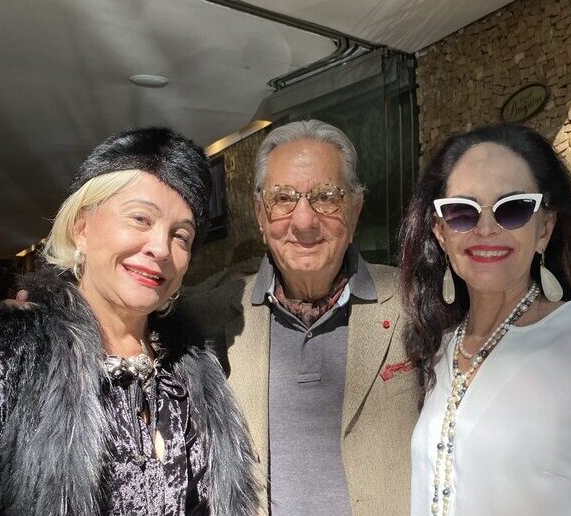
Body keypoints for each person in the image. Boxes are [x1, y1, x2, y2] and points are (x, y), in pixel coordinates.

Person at [0, 128, 258, 515]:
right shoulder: (7, 352)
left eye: (181, 235)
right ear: (81, 227)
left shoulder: (192, 367)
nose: (160, 248)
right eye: (140, 219)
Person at [399, 124, 571, 515]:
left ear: (545, 228)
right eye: (462, 212)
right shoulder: (439, 349)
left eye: (513, 209)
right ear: (441, 233)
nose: (486, 229)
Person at [179, 120, 421, 516]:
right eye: (283, 198)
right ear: (260, 214)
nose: (305, 222)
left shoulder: (415, 304)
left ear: (355, 209)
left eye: (326, 197)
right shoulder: (211, 316)